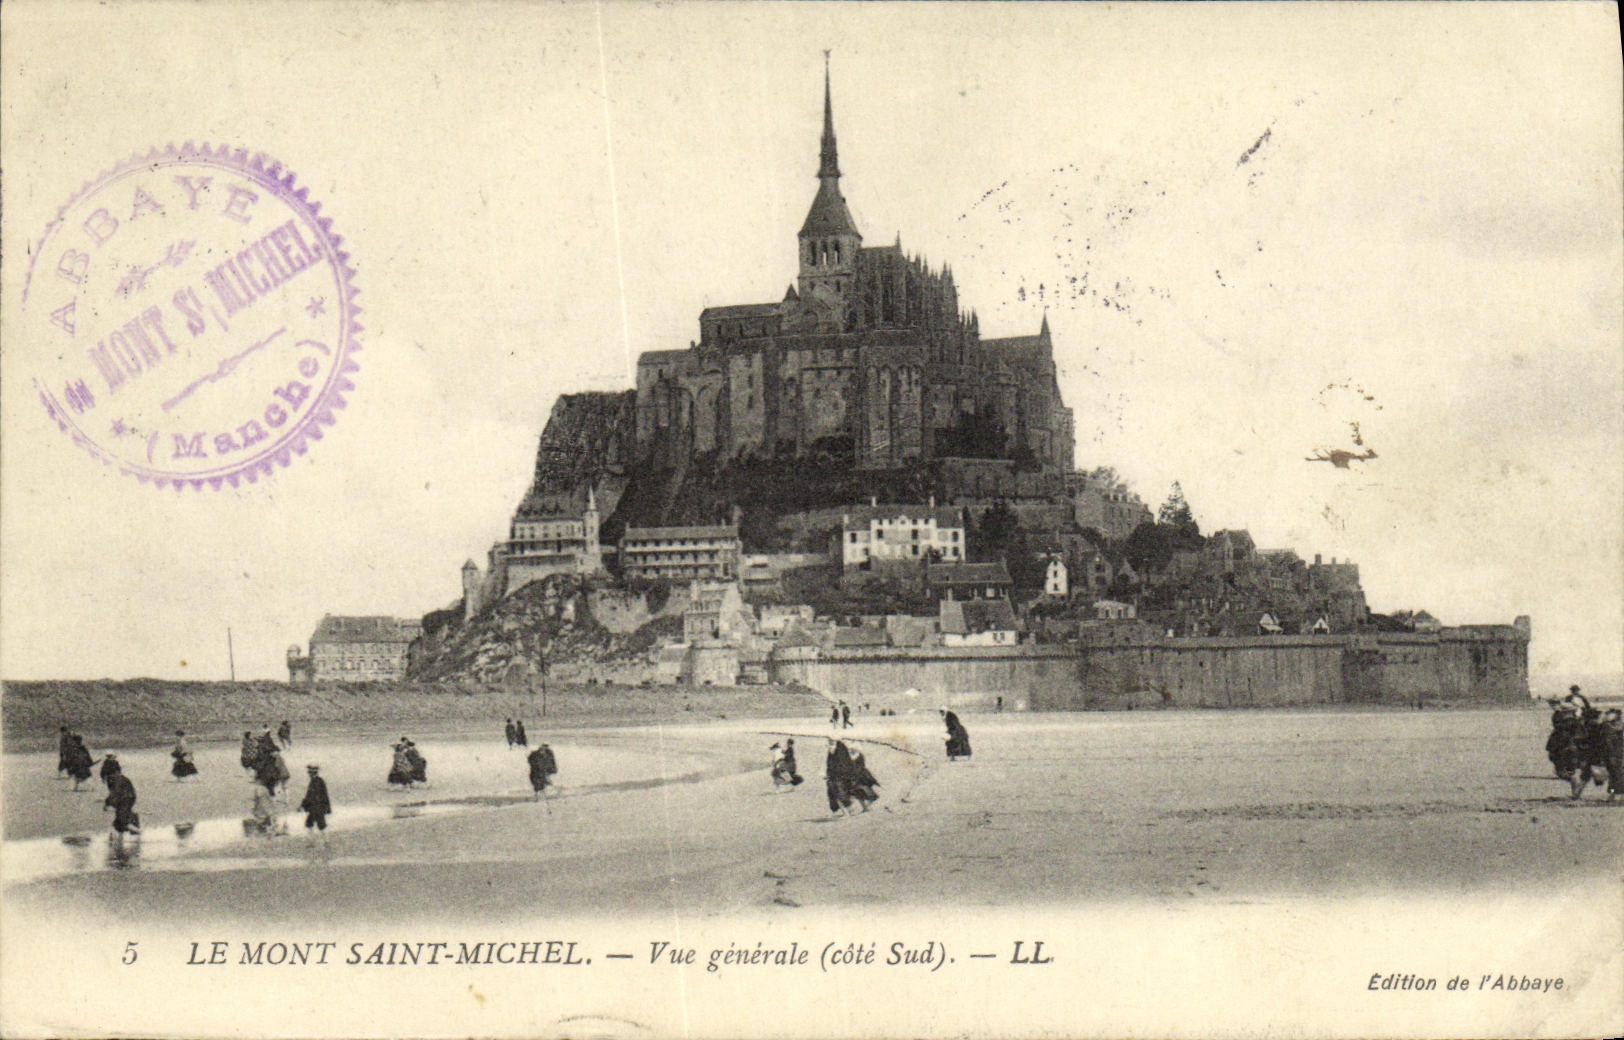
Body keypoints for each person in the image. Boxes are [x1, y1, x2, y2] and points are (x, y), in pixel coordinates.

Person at [103, 766, 139, 841]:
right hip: (128, 799)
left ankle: (134, 830)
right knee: (120, 820)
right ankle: (121, 836)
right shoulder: (120, 779)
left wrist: (107, 803)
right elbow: (114, 793)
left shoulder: (116, 779)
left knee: (122, 819)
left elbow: (114, 793)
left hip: (125, 800)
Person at [298, 764, 331, 840]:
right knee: (311, 824)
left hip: (316, 808)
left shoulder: (315, 782)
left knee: (319, 825)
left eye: (309, 773)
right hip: (318, 807)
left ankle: (323, 841)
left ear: (312, 773)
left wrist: (302, 805)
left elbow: (310, 796)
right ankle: (316, 841)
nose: (309, 774)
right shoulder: (318, 781)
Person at [825, 739, 857, 816]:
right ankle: (847, 812)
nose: (830, 745)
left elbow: (844, 766)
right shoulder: (832, 752)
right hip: (834, 778)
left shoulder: (840, 752)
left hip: (841, 778)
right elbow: (829, 765)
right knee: (835, 795)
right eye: (829, 743)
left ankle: (848, 812)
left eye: (832, 743)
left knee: (841, 794)